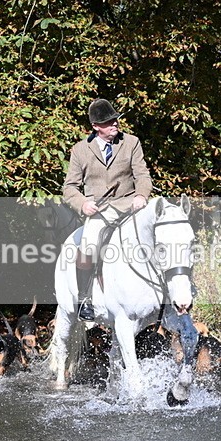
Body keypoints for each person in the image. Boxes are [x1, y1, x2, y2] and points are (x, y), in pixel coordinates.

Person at [62, 98, 153, 321]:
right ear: (96, 126)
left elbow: (142, 175)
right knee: (89, 244)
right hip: (100, 210)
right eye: (108, 122)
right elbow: (69, 187)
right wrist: (83, 203)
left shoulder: (131, 142)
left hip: (131, 204)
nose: (114, 125)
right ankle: (84, 299)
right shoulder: (80, 150)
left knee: (160, 232)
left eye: (115, 120)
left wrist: (141, 195)